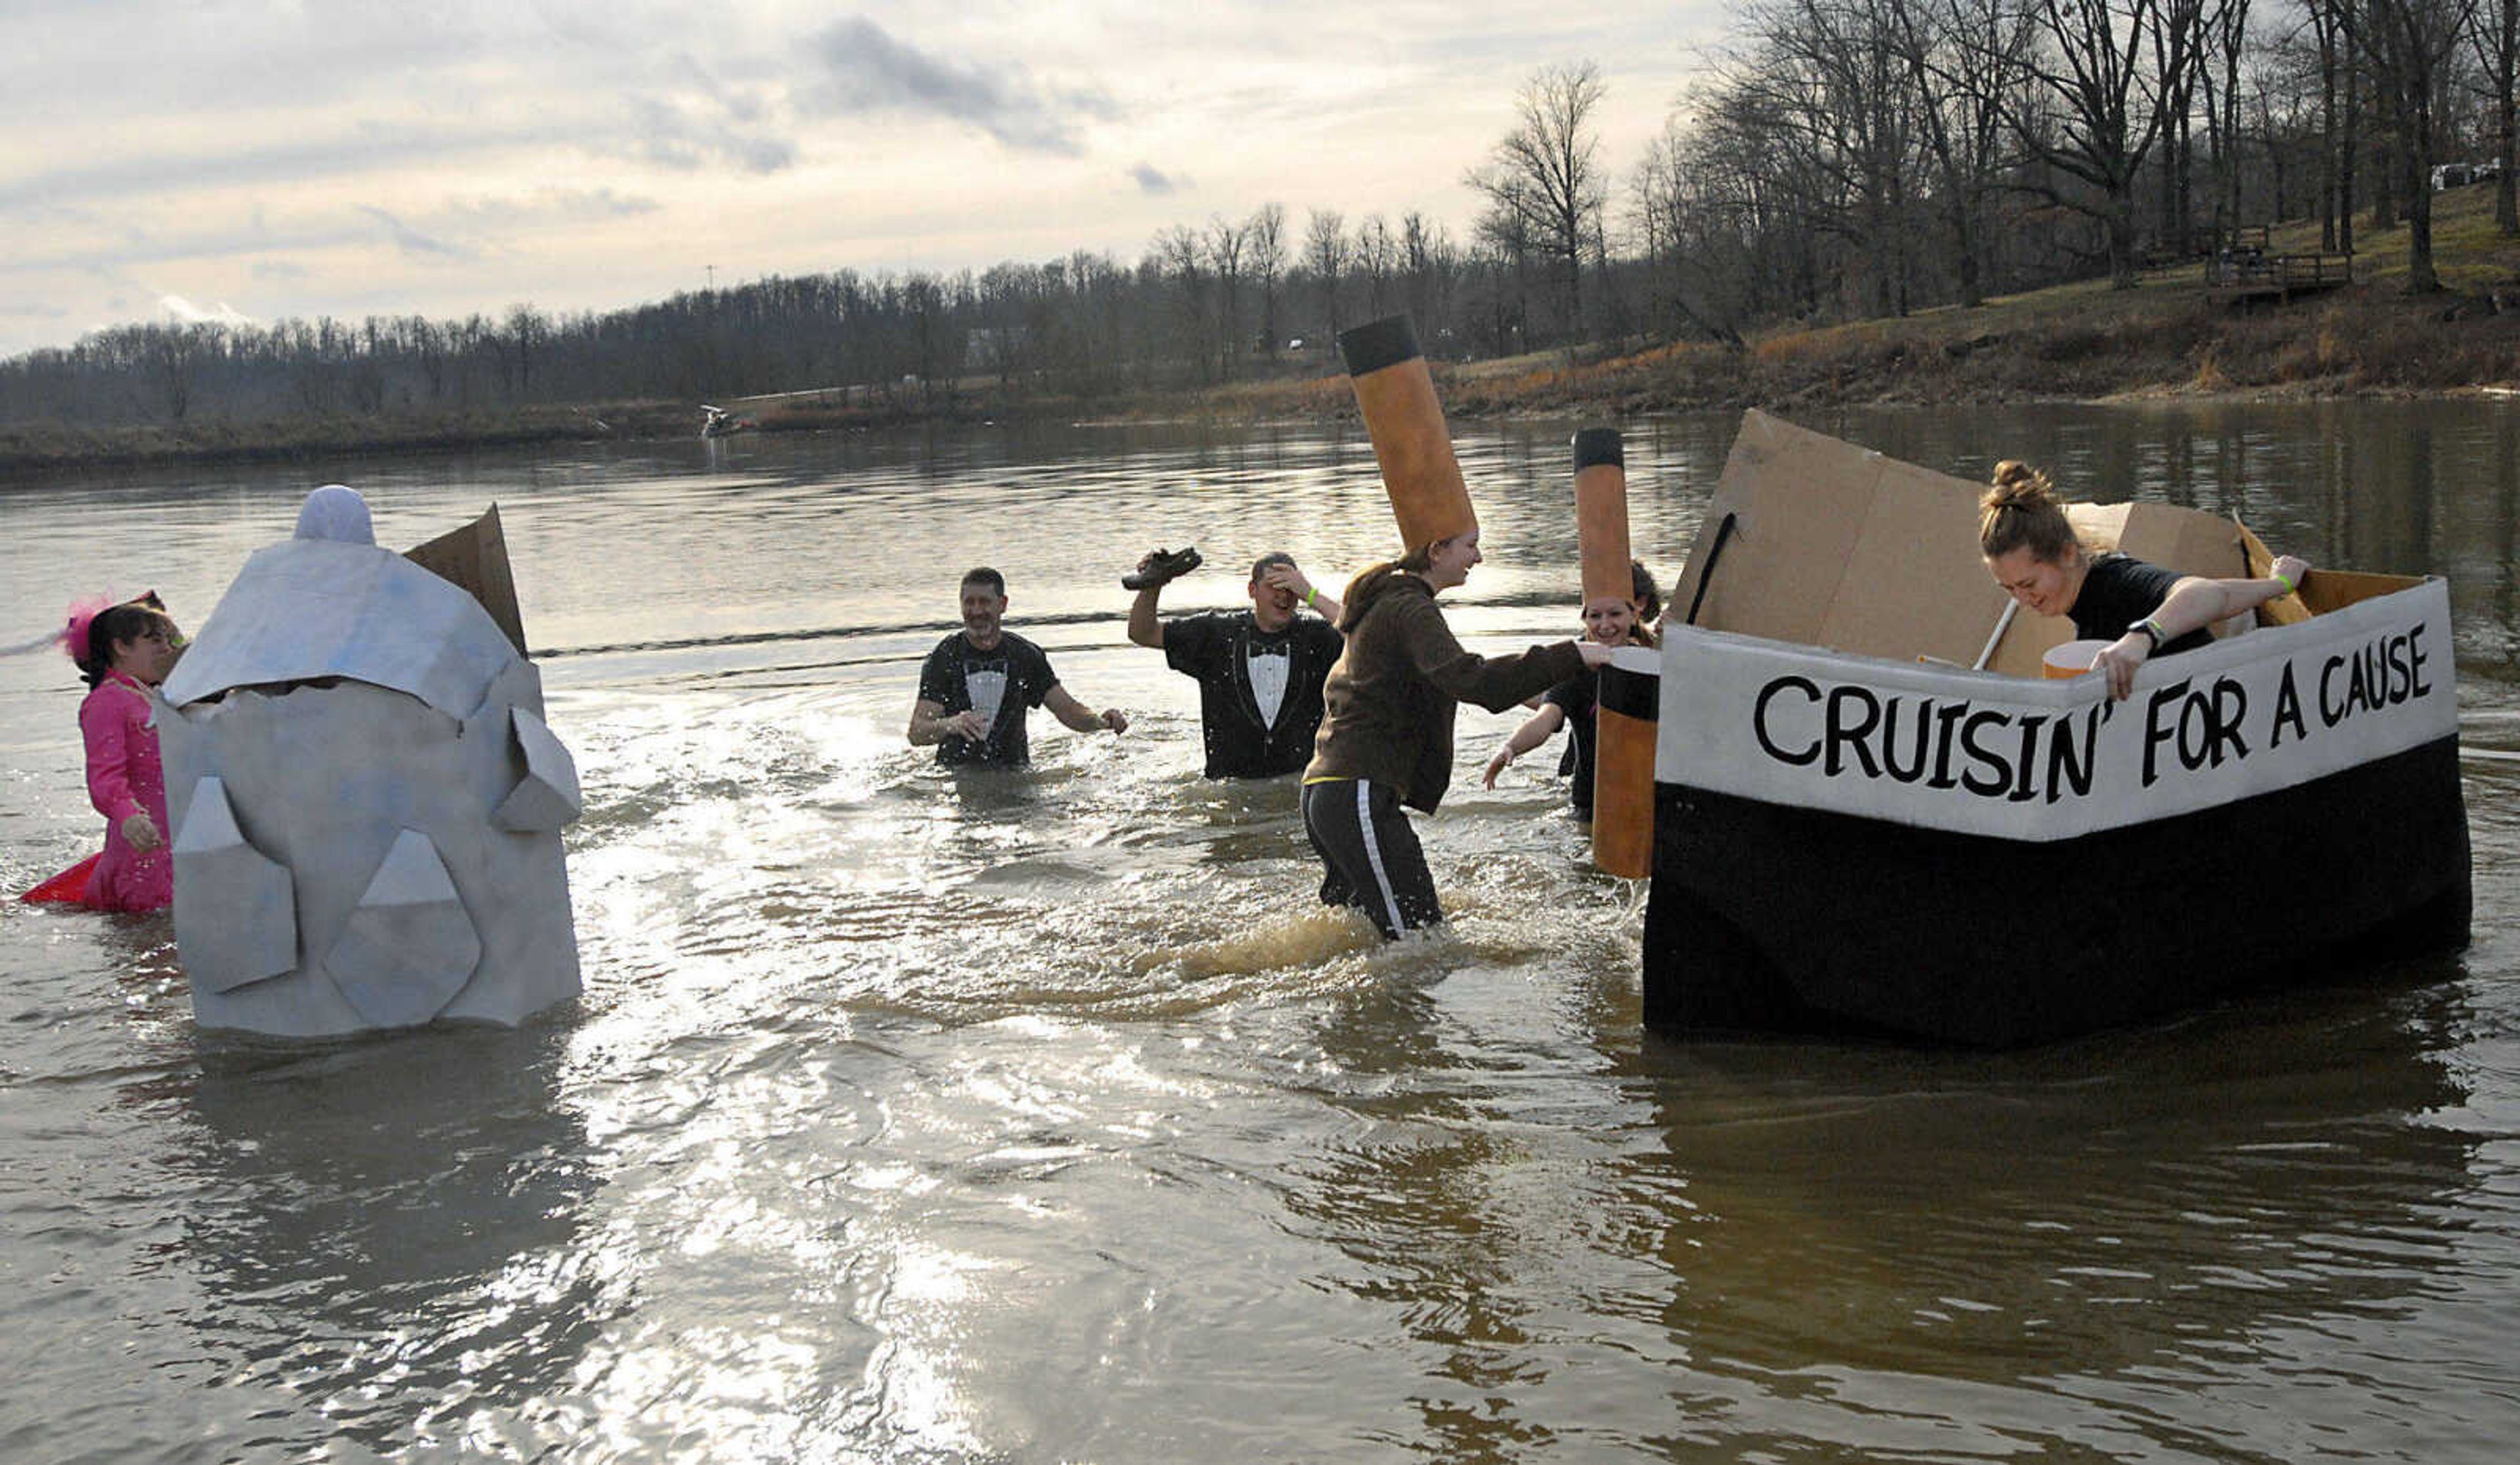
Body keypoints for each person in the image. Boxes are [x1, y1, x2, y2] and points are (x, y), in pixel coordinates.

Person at [1301, 529, 1612, 939]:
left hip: (1333, 793)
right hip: (1355, 794)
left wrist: (1552, 699)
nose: (1479, 557)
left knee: (1371, 936)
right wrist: (1572, 655)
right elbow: (1473, 681)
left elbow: (1447, 678)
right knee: (1420, 939)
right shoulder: (1409, 606)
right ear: (1436, 550)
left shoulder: (1393, 600)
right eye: (1470, 545)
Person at [1980, 460, 2311, 701]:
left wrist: (2141, 638)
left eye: (2029, 584)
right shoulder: (2081, 609)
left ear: (2067, 554)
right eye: (2009, 589)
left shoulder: (2117, 582)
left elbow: (2205, 593)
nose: (2023, 600)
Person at [1126, 550, 1345, 778]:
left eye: (1291, 589)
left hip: (1302, 785)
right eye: (1274, 586)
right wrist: (1153, 584)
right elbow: (1143, 633)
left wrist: (1312, 595)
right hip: (1229, 783)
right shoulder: (1216, 634)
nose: (1284, 596)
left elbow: (1367, 635)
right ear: (1252, 590)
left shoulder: (1319, 638)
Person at [1482, 561, 1662, 818]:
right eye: (1595, 616)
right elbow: (1545, 718)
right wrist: (1510, 748)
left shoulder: (1653, 657)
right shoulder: (1578, 669)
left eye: (1615, 614)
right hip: (1590, 801)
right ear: (1584, 618)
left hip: (1640, 792)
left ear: (1635, 612)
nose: (1605, 625)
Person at [908, 566, 1127, 766]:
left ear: (1002, 604)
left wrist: (1102, 722)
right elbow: (917, 732)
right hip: (957, 777)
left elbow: (1067, 710)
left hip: (1014, 773)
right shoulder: (944, 657)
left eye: (984, 602)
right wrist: (952, 724)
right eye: (969, 602)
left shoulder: (1025, 656)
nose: (976, 611)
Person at [68, 593, 184, 912]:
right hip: (143, 849)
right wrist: (129, 817)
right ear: (121, 646)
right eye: (154, 639)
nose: (166, 648)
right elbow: (104, 777)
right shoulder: (107, 702)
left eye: (168, 639)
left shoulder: (159, 696)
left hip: (180, 842)